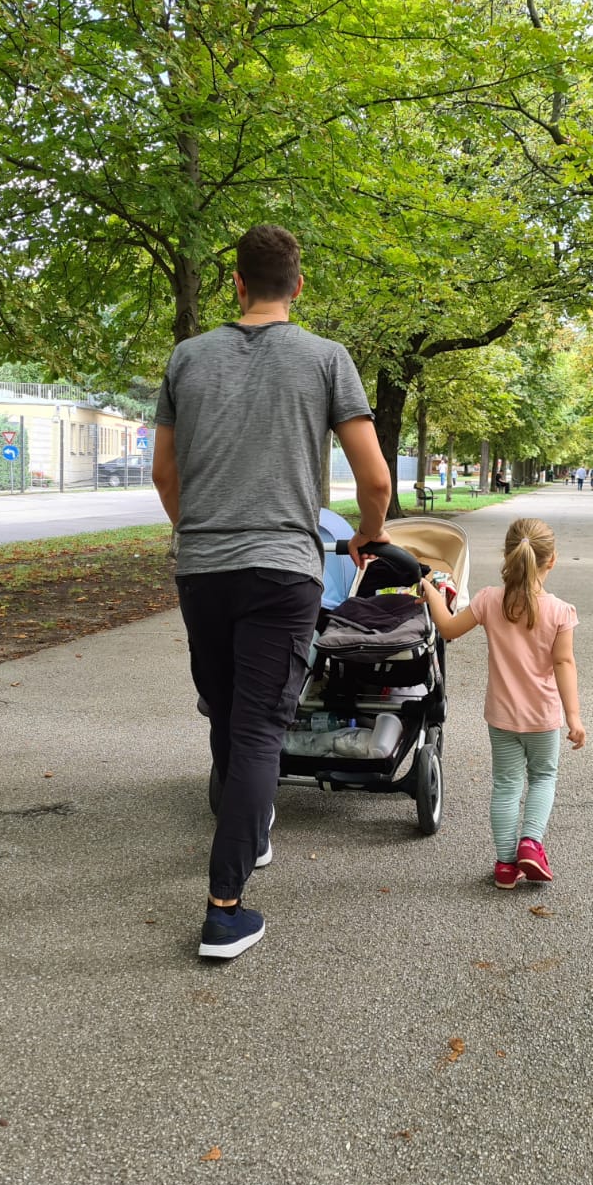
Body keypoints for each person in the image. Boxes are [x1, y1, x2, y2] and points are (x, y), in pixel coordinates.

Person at [153, 224, 392, 960]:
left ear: (236, 283)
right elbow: (374, 479)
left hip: (202, 566)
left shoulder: (186, 358)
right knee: (260, 728)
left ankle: (250, 836)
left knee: (227, 716)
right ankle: (224, 910)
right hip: (284, 567)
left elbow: (165, 475)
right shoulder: (326, 359)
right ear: (297, 285)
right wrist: (368, 537)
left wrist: (201, 532)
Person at [418, 518, 586, 890]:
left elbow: (447, 628)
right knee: (543, 777)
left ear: (507, 556)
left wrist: (430, 590)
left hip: (502, 717)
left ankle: (506, 865)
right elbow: (563, 664)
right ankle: (531, 842)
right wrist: (572, 717)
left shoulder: (490, 600)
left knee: (506, 785)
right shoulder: (560, 611)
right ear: (551, 560)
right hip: (543, 718)